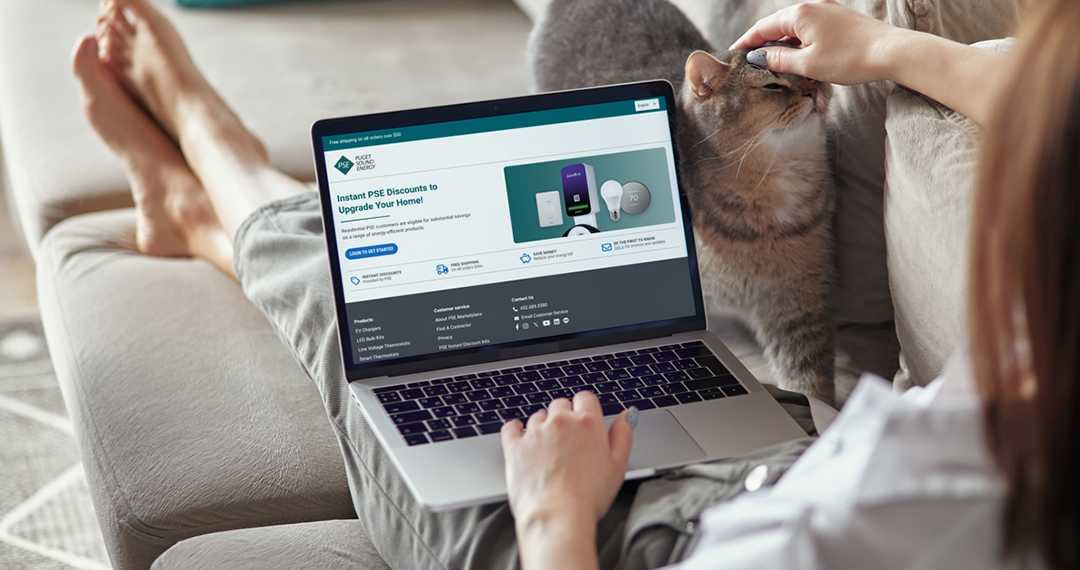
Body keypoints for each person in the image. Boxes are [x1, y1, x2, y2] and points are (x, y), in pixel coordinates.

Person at [73, 0, 1077, 568]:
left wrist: (554, 514)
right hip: (783, 451)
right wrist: (890, 47)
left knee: (351, 307)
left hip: (618, 538)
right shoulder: (1028, 405)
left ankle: (216, 168)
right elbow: (1056, 95)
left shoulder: (873, 517)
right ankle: (211, 206)